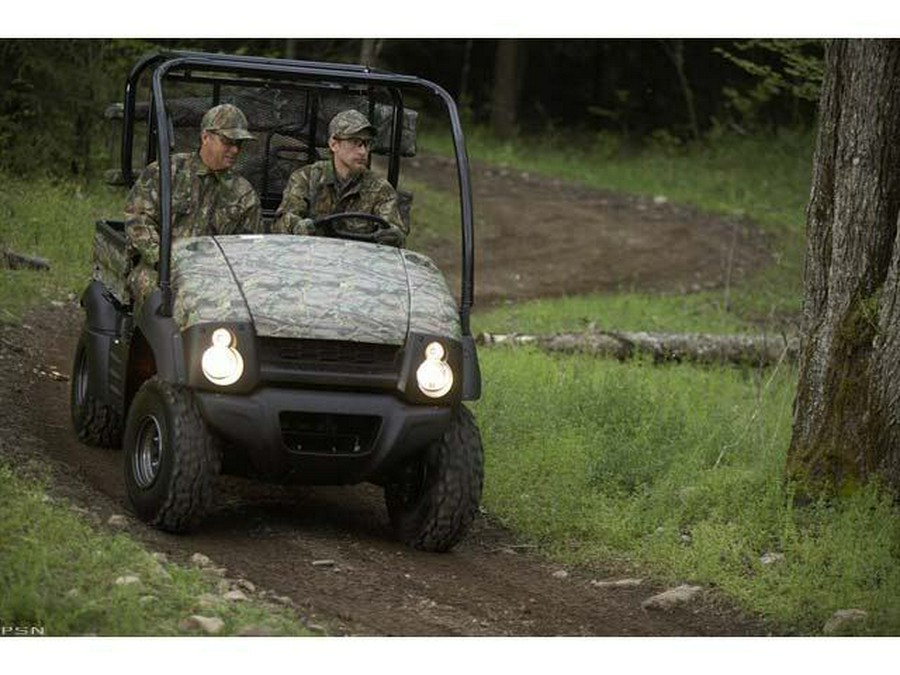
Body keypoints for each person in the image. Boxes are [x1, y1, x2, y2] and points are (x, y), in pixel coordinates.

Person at [124, 103, 262, 310]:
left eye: (239, 144)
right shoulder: (166, 173)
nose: (234, 150)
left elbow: (250, 249)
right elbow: (138, 222)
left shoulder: (244, 193)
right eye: (228, 141)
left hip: (215, 277)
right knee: (171, 302)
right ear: (205, 137)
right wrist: (165, 261)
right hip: (158, 270)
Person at [273, 109, 407, 247]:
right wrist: (297, 227)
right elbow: (281, 223)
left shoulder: (380, 189)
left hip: (359, 263)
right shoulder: (306, 178)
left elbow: (396, 235)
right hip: (310, 258)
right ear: (334, 144)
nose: (363, 151)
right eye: (355, 142)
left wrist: (393, 236)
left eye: (367, 144)